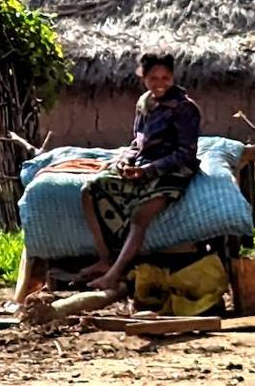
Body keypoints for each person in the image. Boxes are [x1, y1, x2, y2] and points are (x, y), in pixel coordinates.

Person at [80, 51, 201, 292]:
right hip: (142, 166)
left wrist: (148, 170)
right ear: (143, 77)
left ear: (173, 77)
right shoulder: (144, 103)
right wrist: (125, 161)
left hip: (172, 171)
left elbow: (185, 153)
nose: (160, 84)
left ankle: (114, 275)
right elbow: (137, 142)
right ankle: (105, 260)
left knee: (140, 215)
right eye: (153, 78)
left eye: (165, 78)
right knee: (90, 190)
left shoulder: (185, 108)